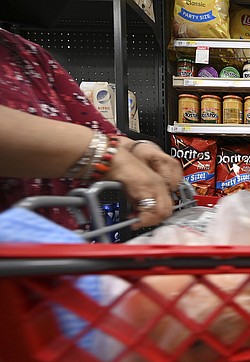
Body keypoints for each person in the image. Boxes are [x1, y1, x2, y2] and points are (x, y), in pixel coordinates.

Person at [0, 23, 183, 229]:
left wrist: (136, 149)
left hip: (59, 246)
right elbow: (103, 147)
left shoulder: (28, 54)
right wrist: (109, 157)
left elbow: (100, 132)